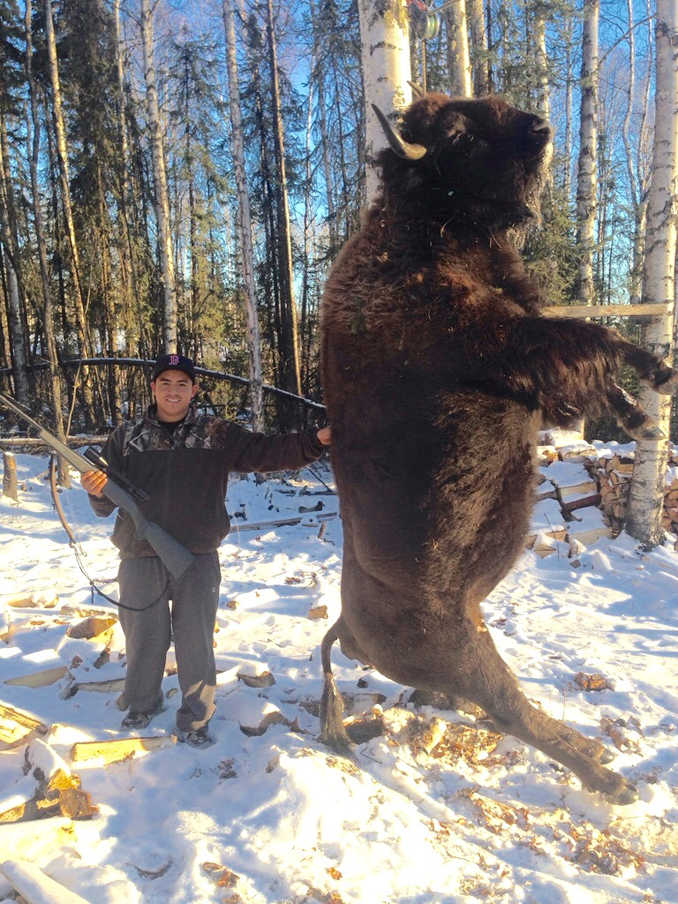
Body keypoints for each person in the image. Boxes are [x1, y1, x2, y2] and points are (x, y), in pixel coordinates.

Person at [81, 353, 331, 747]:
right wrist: (95, 490)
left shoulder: (216, 432)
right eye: (165, 383)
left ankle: (196, 718)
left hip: (195, 555)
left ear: (194, 390)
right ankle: (142, 704)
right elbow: (106, 503)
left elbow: (266, 452)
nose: (173, 391)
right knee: (143, 636)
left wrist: (314, 442)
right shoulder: (125, 437)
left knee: (195, 640)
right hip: (138, 554)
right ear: (153, 388)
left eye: (182, 384)